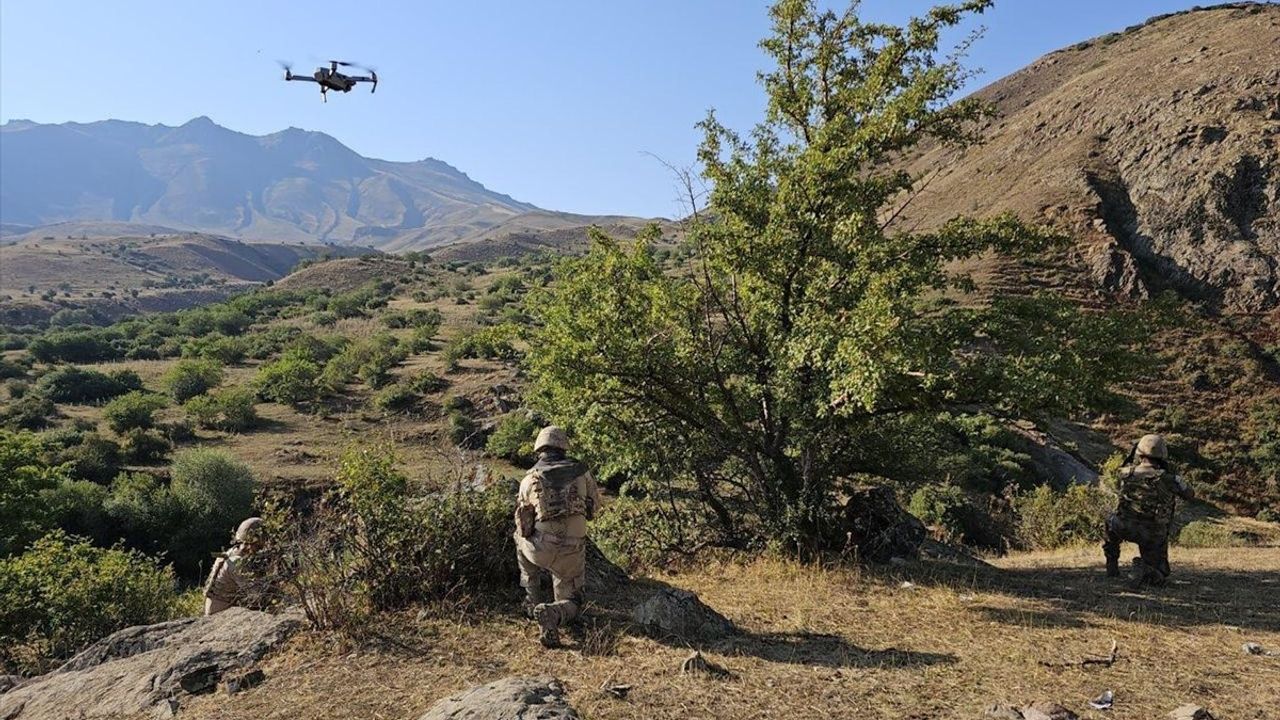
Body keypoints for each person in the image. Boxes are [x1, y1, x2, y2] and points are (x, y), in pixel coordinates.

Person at [513, 425, 602, 648]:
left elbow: (524, 522)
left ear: (539, 449)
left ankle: (532, 599)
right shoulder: (582, 473)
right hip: (572, 550)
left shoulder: (528, 479)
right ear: (564, 447)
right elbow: (595, 507)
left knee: (518, 538)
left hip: (540, 550)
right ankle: (554, 611)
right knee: (573, 601)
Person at [1103, 434, 1194, 587]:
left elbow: (1123, 474)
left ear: (1139, 453)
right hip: (1152, 534)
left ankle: (1112, 566)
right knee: (1160, 574)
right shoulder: (1170, 479)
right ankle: (1147, 570)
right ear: (1163, 455)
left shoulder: (1125, 473)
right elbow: (1190, 495)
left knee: (1109, 521)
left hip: (1124, 527)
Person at [203, 517, 264, 616]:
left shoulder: (229, 553)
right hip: (221, 615)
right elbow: (257, 596)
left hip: (215, 609)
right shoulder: (237, 563)